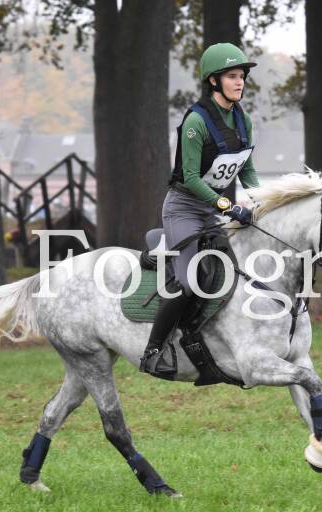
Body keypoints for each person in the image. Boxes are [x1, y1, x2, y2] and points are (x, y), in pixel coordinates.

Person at [140, 43, 259, 377]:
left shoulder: (243, 119)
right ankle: (153, 351)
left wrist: (260, 201)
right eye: (232, 76)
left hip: (210, 211)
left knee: (232, 274)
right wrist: (227, 205)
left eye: (242, 77)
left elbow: (246, 170)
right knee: (190, 281)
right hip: (182, 210)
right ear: (213, 81)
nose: (239, 83)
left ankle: (206, 339)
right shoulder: (196, 121)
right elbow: (190, 178)